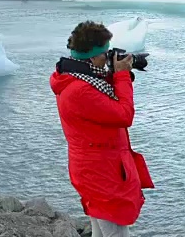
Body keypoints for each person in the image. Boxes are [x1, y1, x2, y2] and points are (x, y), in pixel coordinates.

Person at [49, 20, 153, 237]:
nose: (108, 59)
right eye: (105, 54)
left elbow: (106, 94)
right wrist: (122, 75)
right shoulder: (80, 90)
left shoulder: (81, 77)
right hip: (99, 171)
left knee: (101, 229)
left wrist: (120, 71)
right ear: (92, 56)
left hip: (100, 167)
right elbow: (124, 115)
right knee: (116, 232)